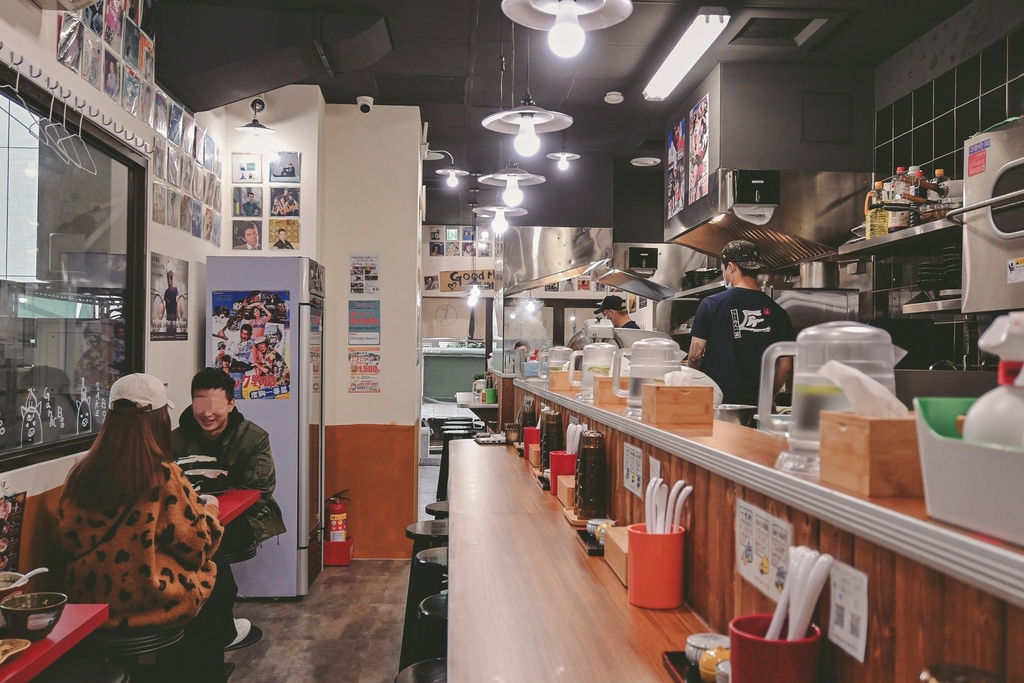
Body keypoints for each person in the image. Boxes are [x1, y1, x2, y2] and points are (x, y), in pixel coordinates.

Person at [56, 374, 229, 683]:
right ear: (158, 419)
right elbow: (197, 546)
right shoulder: (163, 475)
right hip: (146, 599)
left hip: (86, 599)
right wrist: (211, 509)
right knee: (217, 581)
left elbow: (67, 538)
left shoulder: (80, 472)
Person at [687, 240, 795, 406]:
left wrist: (695, 388)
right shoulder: (778, 312)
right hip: (756, 404)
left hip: (717, 402)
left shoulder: (711, 304)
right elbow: (786, 367)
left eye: (723, 269)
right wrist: (766, 397)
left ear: (731, 267)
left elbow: (695, 357)